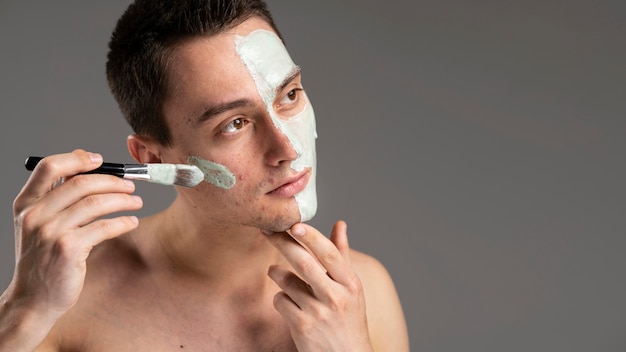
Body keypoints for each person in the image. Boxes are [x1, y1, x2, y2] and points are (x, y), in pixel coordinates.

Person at [0, 0, 409, 350]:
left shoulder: (360, 294)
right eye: (234, 124)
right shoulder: (68, 304)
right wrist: (22, 313)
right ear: (154, 158)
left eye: (290, 95)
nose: (289, 149)